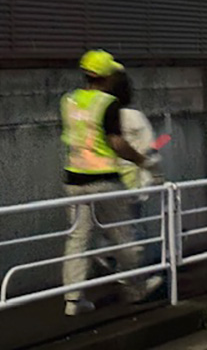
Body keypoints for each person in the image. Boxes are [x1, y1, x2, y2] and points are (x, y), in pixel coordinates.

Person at [59, 50, 161, 316]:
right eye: (114, 73)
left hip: (73, 178)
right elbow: (116, 143)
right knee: (126, 237)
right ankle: (136, 287)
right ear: (106, 76)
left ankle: (73, 300)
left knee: (77, 239)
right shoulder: (108, 103)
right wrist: (142, 161)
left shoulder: (68, 101)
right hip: (104, 179)